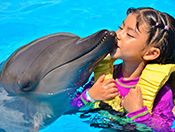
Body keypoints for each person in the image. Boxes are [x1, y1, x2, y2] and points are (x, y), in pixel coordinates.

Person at [71, 7, 175, 131]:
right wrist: (90, 96)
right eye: (120, 27)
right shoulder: (104, 78)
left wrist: (138, 113)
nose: (118, 35)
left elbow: (165, 129)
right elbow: (70, 108)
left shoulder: (163, 93)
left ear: (151, 53)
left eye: (129, 34)